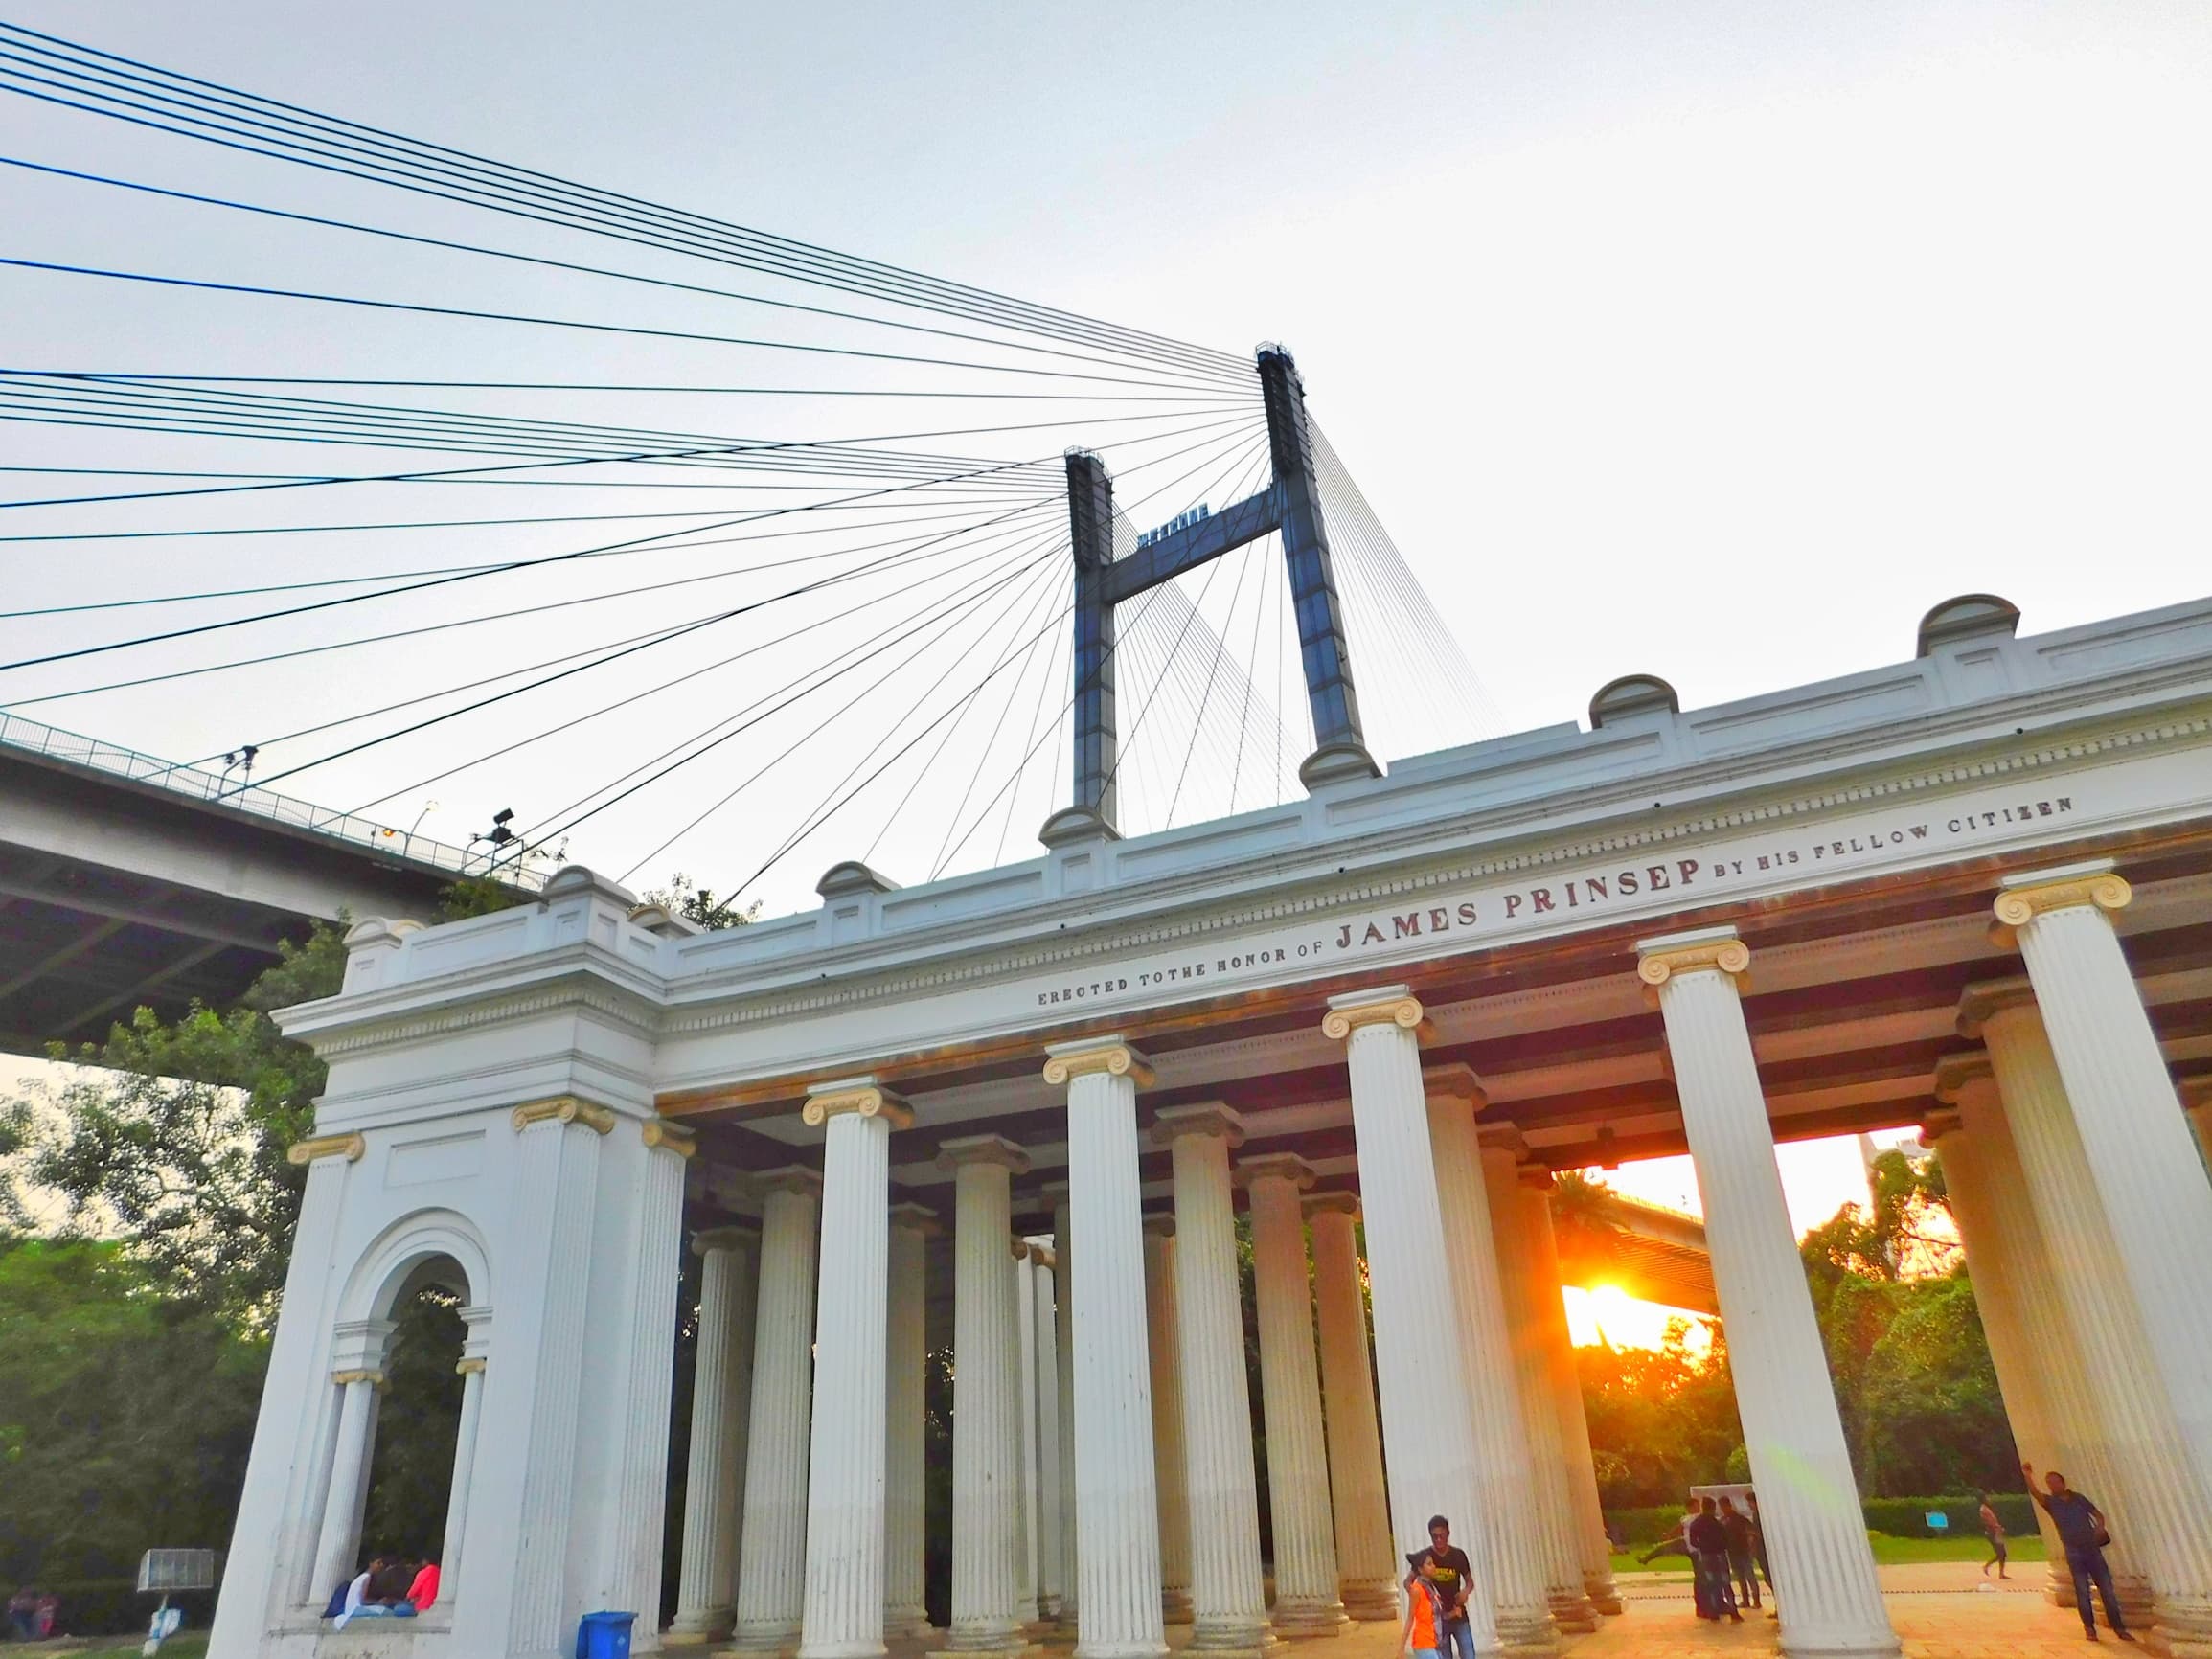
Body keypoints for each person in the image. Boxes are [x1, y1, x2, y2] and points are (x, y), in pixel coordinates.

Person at [2024, 1462, 2133, 1642]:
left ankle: (2119, 1627)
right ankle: (2089, 1628)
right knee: (2082, 1590)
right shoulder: (2051, 1503)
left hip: (2091, 1549)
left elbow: (2097, 1514)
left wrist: (2099, 1527)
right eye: (2048, 1483)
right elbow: (2036, 1494)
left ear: (2063, 1483)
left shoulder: (2079, 1499)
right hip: (2074, 1551)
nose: (2051, 1485)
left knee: (2107, 1589)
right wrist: (2028, 1476)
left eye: (2054, 1482)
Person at [1409, 1516, 1477, 1659]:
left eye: (1442, 1535)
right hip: (1438, 1621)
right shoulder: (1426, 1558)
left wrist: (1465, 1592)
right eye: (1435, 1536)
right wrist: (1421, 1600)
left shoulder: (1458, 1555)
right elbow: (1408, 1582)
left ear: (1448, 1533)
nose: (1439, 1539)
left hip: (1458, 1613)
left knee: (1468, 1653)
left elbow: (1470, 1581)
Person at [1686, 1498, 1742, 1624]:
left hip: (1706, 1555)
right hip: (1720, 1555)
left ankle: (1713, 1612)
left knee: (1711, 1584)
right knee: (1725, 1583)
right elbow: (1726, 1538)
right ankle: (1733, 1611)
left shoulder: (1697, 1523)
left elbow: (1693, 1541)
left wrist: (1703, 1545)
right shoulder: (1717, 1523)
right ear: (1713, 1508)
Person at [1398, 1552, 1446, 1659]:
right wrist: (1402, 1648)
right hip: (1423, 1642)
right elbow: (1410, 1618)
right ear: (1420, 1569)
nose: (1434, 1567)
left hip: (1434, 1642)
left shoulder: (1431, 1587)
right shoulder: (1416, 1590)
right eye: (1429, 1564)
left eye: (1433, 1563)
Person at [1720, 1496, 1761, 1610]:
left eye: (1724, 1506)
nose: (1723, 1509)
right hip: (1733, 1552)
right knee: (1740, 1577)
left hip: (1743, 1551)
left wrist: (1751, 1544)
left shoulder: (1738, 1519)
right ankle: (1746, 1600)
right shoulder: (1724, 1520)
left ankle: (1756, 1601)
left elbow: (1752, 1531)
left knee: (1749, 1576)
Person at [1979, 1492, 2010, 1580]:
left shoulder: (1986, 1509)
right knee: (2001, 1553)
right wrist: (1998, 1528)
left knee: (2002, 1553)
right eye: (1987, 1498)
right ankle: (1987, 1566)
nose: (1989, 1499)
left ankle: (2001, 1573)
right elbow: (1990, 1522)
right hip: (1993, 1533)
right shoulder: (1984, 1510)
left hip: (1995, 1532)